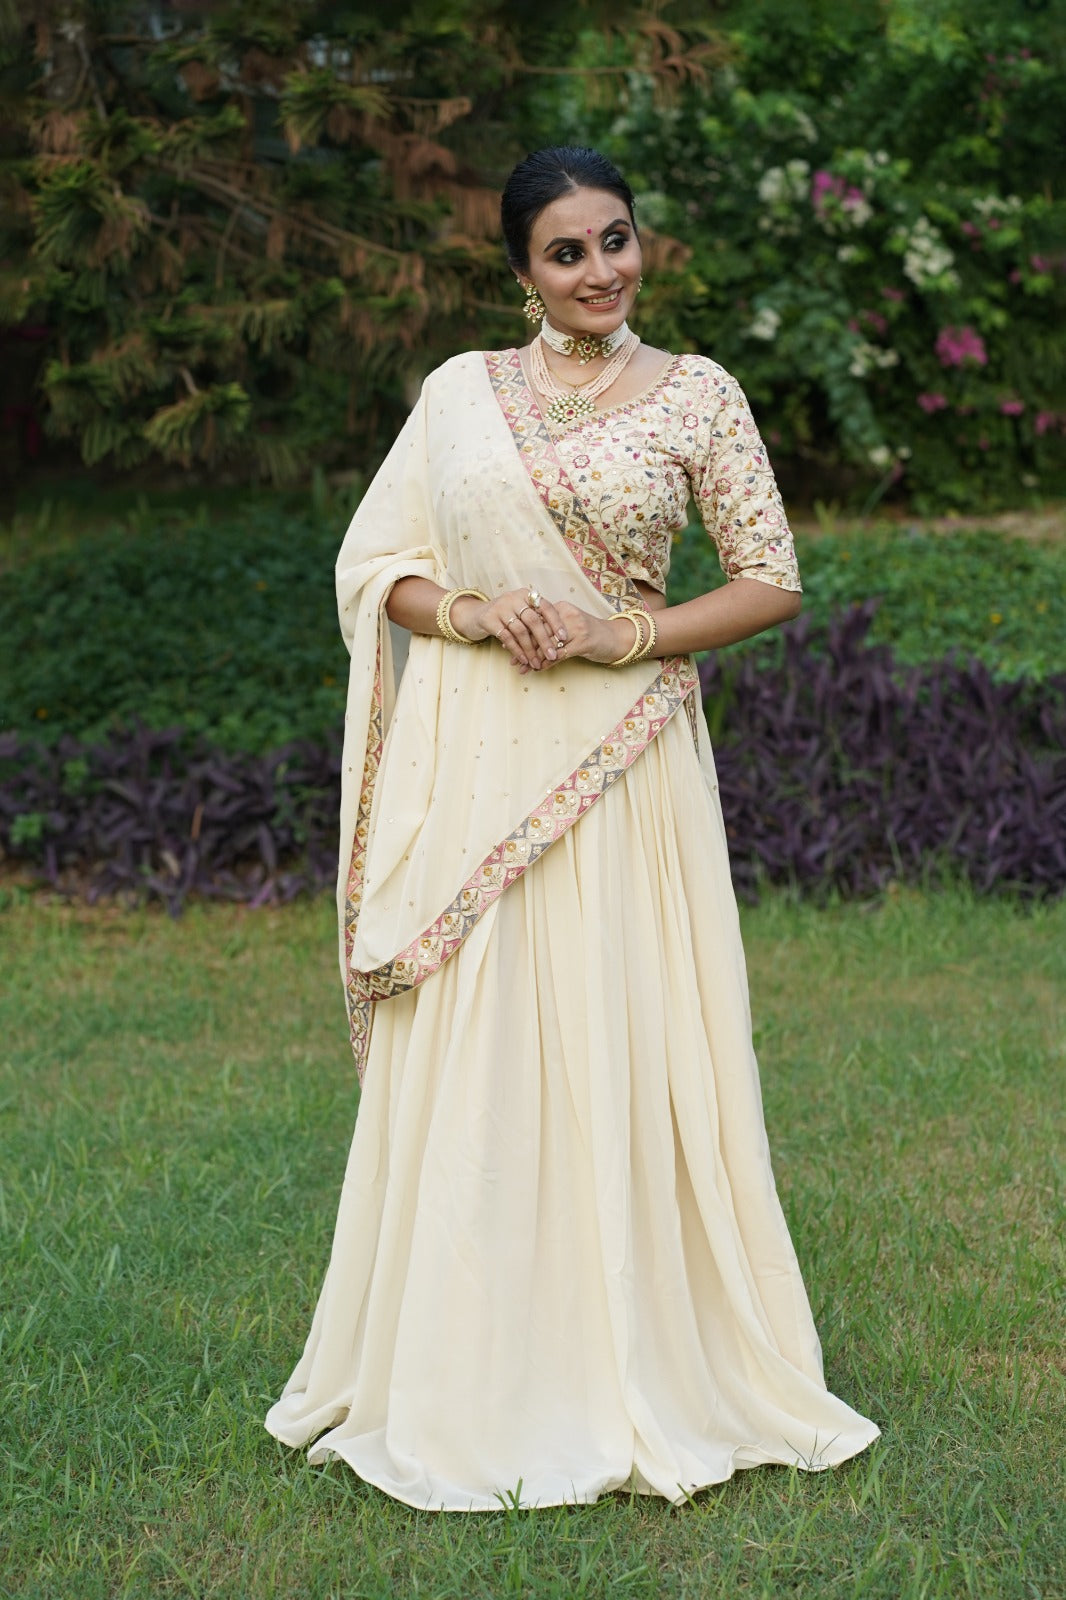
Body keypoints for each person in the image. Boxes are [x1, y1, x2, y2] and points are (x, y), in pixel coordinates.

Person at [265, 145, 879, 1511]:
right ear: (520, 271)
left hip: (621, 758)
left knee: (619, 1030)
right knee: (481, 1038)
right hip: (478, 752)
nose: (600, 270)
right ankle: (465, 1366)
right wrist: (474, 611)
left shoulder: (699, 394)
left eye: (615, 239)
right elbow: (377, 566)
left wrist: (623, 636)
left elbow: (771, 578)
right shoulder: (458, 395)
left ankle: (633, 1356)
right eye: (566, 252)